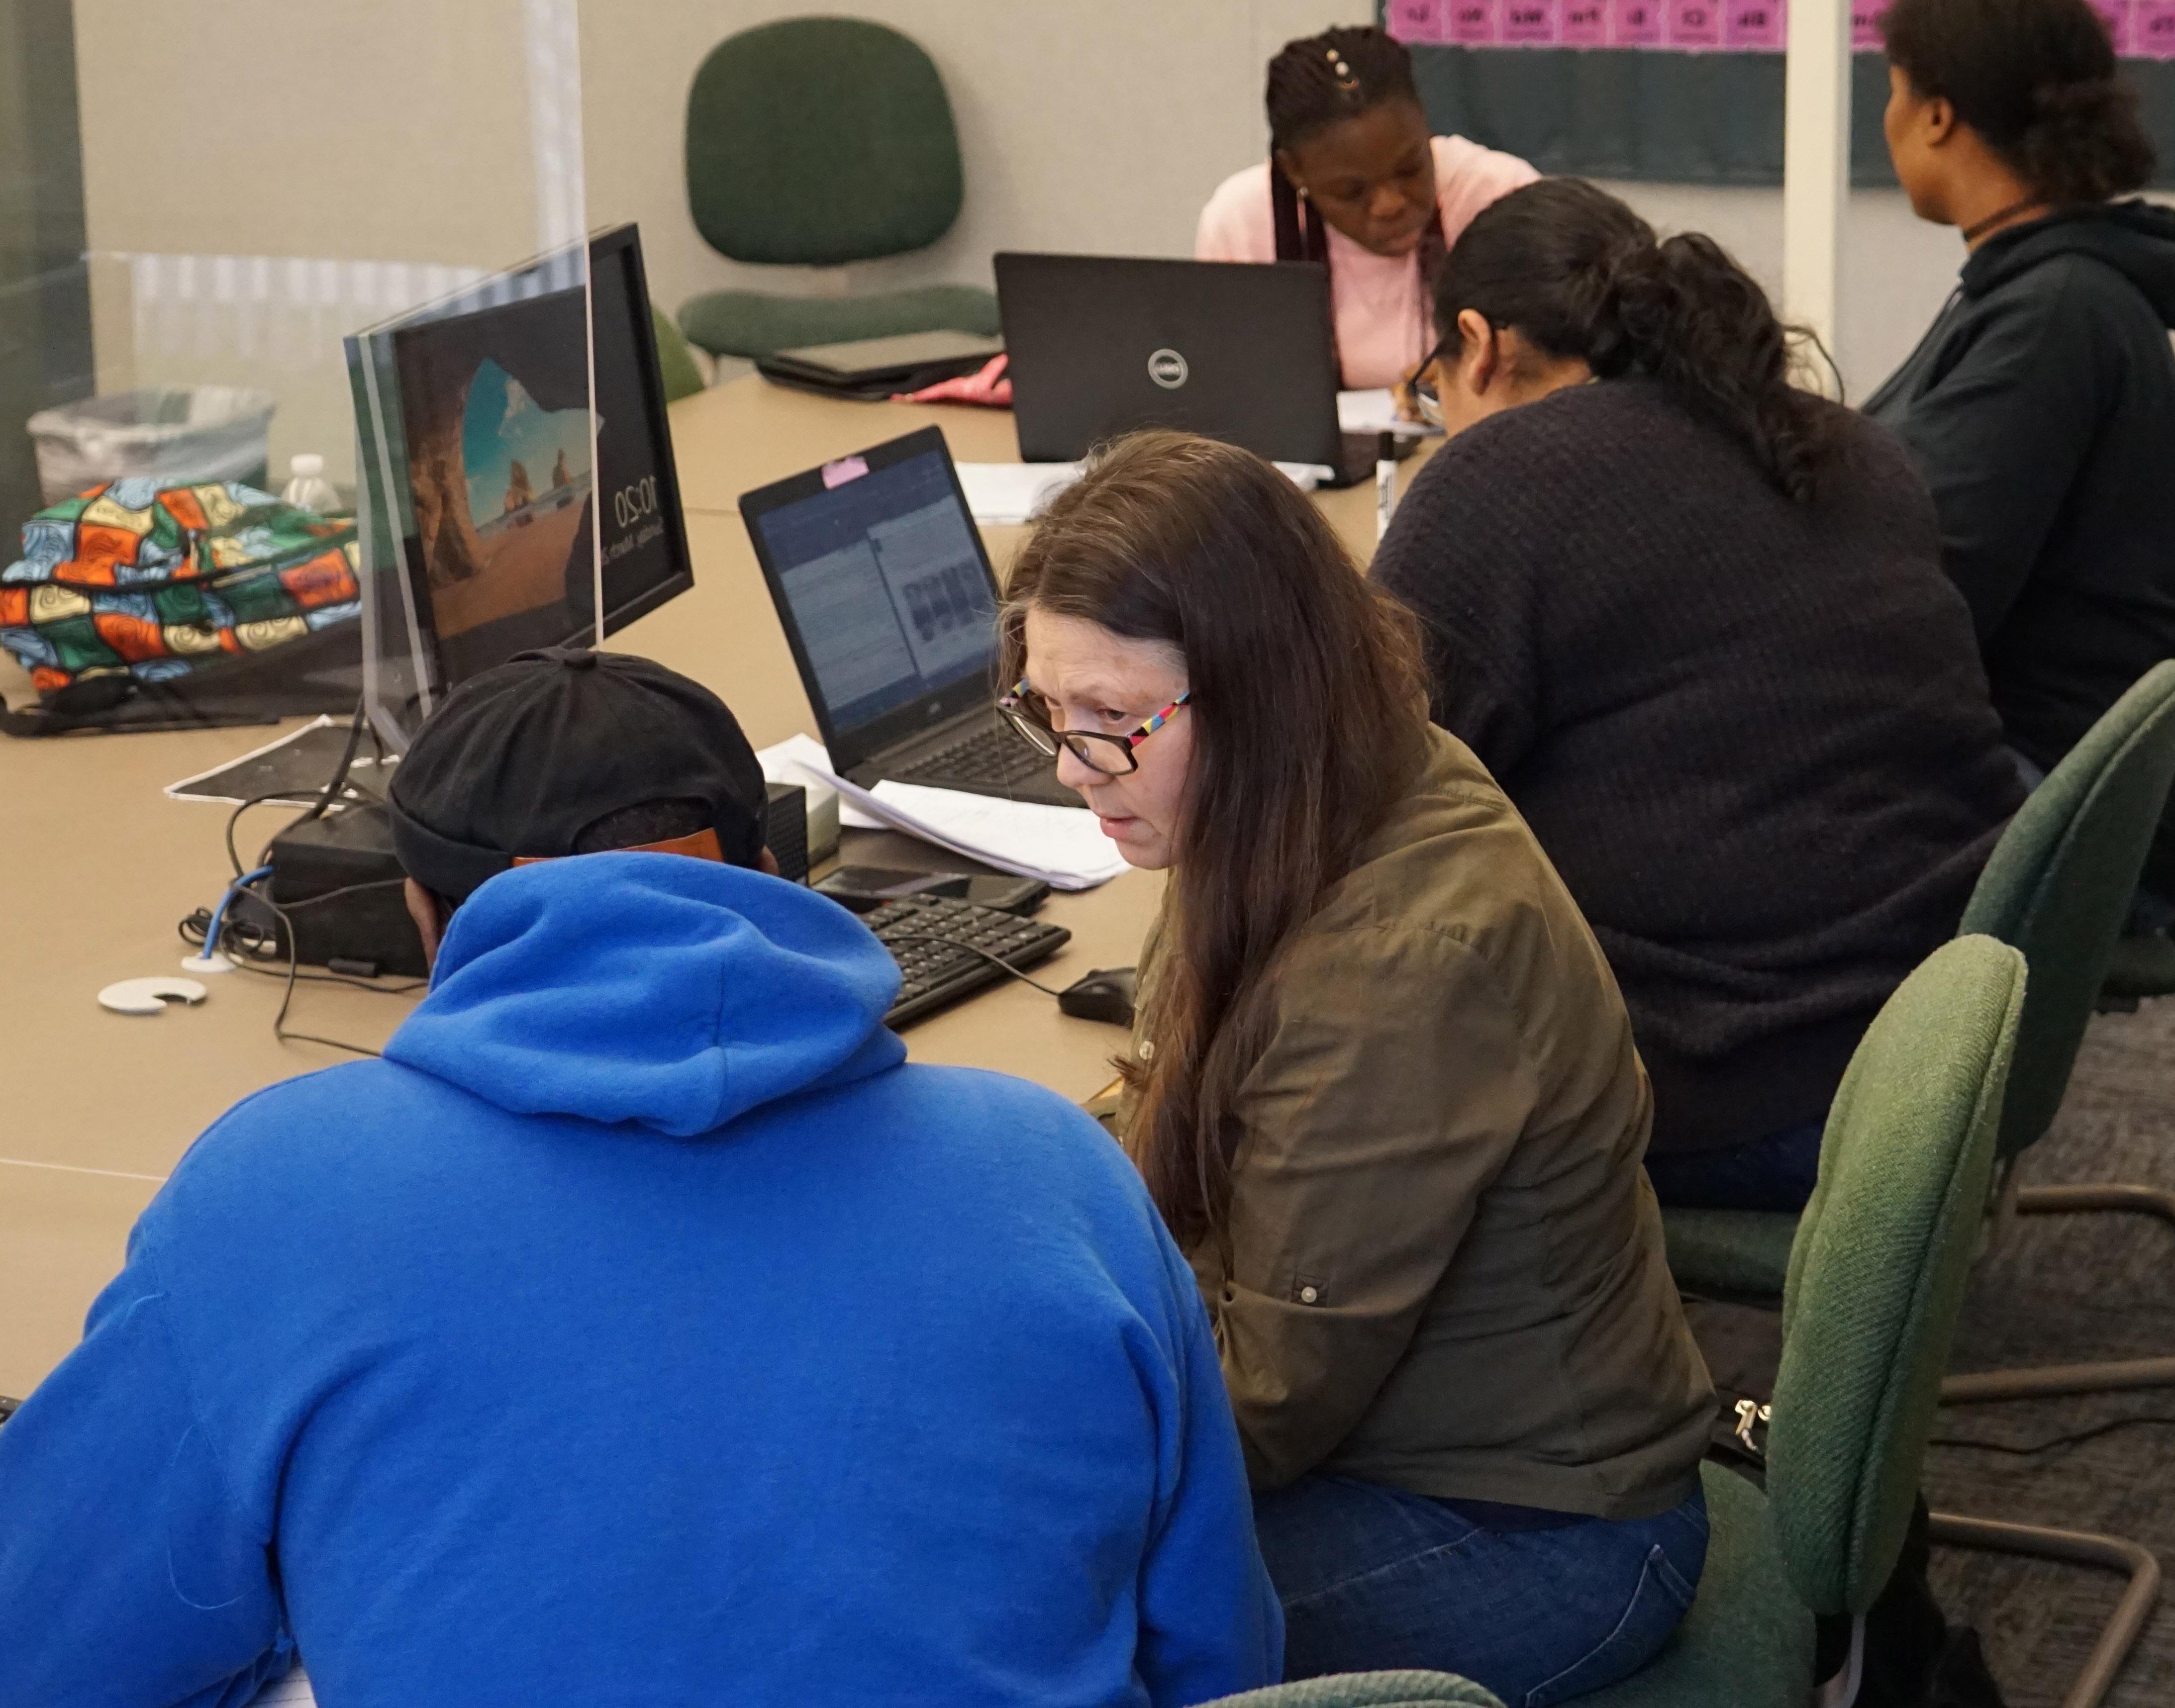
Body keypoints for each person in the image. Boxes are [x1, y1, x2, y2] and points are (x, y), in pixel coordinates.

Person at [0, 647, 1281, 1708]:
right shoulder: (1057, 1171)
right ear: (773, 873)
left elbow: (45, 1649)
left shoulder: (272, 1198)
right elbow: (1221, 1659)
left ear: (420, 916)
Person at [996, 431, 1715, 1704]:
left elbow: (1262, 1406)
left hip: (1537, 1535)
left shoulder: (1394, 963)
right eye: (1047, 710)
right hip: (1394, 1443)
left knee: (1008, 1614)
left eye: (1110, 722)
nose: (1070, 765)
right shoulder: (1308, 788)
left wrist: (983, 1389)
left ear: (1262, 689)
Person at [1374, 179, 2021, 1212]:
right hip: (1948, 1031)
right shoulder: (1843, 442)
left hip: (1733, 1084)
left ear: (1477, 344)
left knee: (1291, 1068)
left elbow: (1359, 798)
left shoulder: (1499, 480)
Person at [1867, 0, 2175, 931]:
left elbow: (1926, 583)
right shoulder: (2030, 282)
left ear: (1937, 112)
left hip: (2070, 797)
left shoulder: (2056, 308)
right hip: (2061, 758)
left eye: (1893, 89)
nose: (1888, 113)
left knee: (1706, 815)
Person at [1195, 24, 1538, 392]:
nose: (1389, 205)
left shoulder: (1503, 197)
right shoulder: (1241, 223)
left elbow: (1566, 364)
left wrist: (1471, 385)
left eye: (1410, 170)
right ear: (1294, 171)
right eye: (1351, 191)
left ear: (1424, 124)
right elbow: (1224, 387)